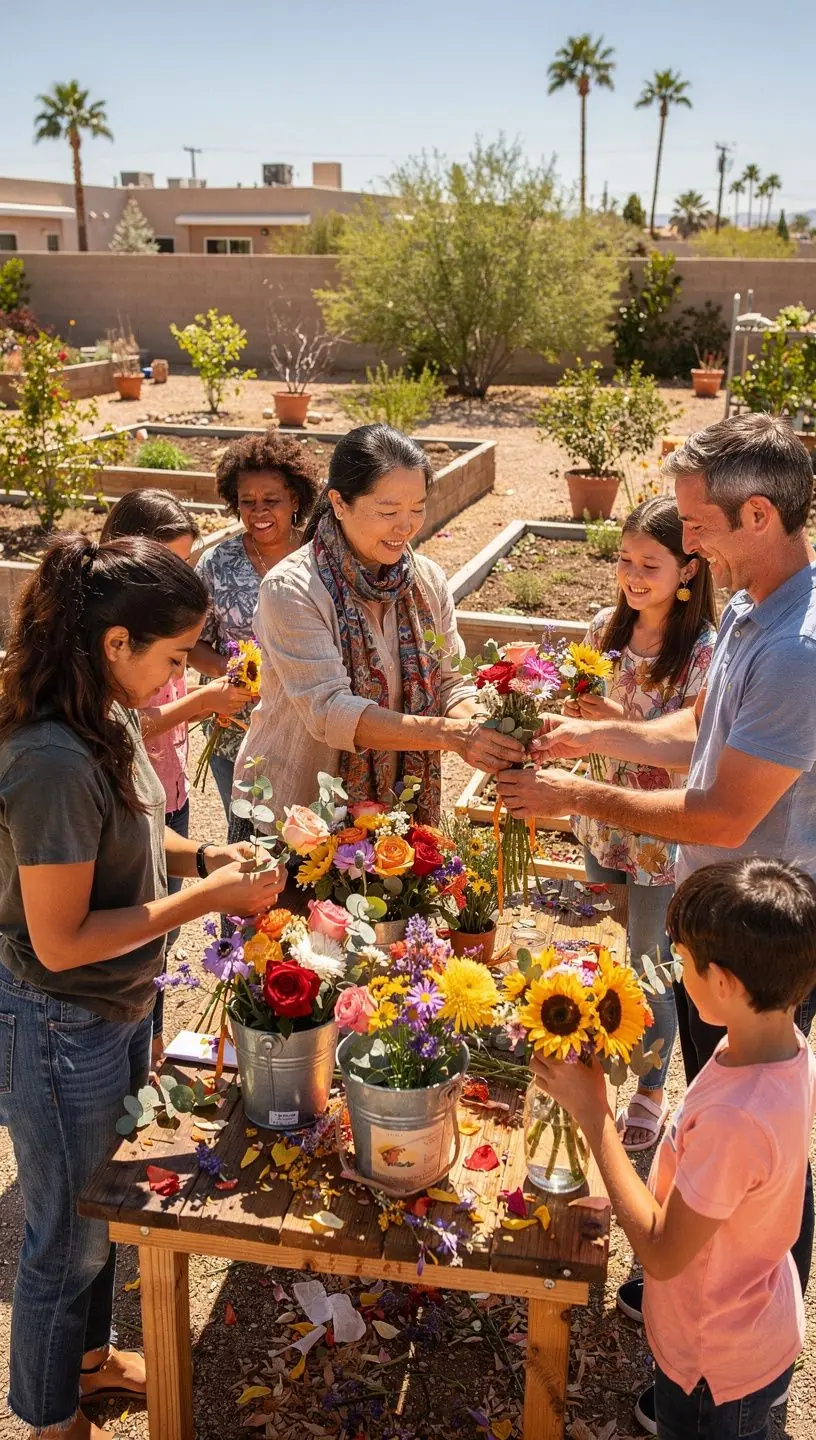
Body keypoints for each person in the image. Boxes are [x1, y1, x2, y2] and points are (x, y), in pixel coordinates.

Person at [497, 412, 816, 1431]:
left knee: (753, 1141)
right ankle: (687, 1278)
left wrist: (576, 798)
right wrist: (608, 732)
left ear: (757, 514)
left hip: (764, 933)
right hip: (721, 917)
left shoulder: (802, 645)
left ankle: (728, 1322)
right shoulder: (751, 607)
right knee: (713, 1112)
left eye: (694, 524)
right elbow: (709, 729)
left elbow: (727, 810)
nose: (685, 545)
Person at [0, 535, 283, 1440]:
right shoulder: (49, 756)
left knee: (98, 1218)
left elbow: (126, 829)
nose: (178, 678)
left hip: (106, 1009)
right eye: (170, 656)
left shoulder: (101, 711)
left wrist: (200, 852)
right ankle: (50, 1420)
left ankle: (89, 1365)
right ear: (115, 642)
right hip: (59, 1018)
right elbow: (63, 936)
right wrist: (204, 899)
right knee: (64, 1237)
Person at [531, 858, 816, 1440]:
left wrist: (595, 1116)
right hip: (753, 1310)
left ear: (726, 984)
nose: (675, 974)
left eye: (683, 963)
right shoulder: (780, 1045)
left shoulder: (736, 1120)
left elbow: (661, 1254)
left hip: (713, 1360)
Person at [233, 423, 525, 833]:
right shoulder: (293, 590)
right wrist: (453, 735)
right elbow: (331, 712)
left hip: (392, 818)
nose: (405, 527)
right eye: (388, 512)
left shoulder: (426, 582)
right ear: (338, 502)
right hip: (295, 819)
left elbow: (449, 683)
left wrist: (486, 729)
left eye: (418, 508)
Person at [567, 497, 716, 1150]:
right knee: (627, 939)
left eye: (649, 564)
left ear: (687, 571)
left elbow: (692, 748)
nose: (632, 574)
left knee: (651, 961)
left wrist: (610, 723)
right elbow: (578, 704)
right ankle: (621, 1035)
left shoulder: (702, 654)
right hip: (604, 819)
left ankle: (652, 1089)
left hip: (660, 835)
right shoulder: (605, 625)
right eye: (625, 559)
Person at [100, 490, 251, 1065]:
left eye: (185, 566)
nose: (177, 578)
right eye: (167, 564)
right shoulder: (111, 645)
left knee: (157, 946)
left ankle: (151, 1047)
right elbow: (122, 725)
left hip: (166, 789)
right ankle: (139, 1052)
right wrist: (203, 701)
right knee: (141, 933)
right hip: (133, 796)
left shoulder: (147, 629)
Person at [192, 430, 322, 817]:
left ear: (295, 499)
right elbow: (191, 644)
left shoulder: (321, 560)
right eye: (247, 502)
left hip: (308, 732)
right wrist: (233, 671)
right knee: (247, 839)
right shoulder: (217, 564)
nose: (259, 512)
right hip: (234, 733)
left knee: (304, 840)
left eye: (271, 500)